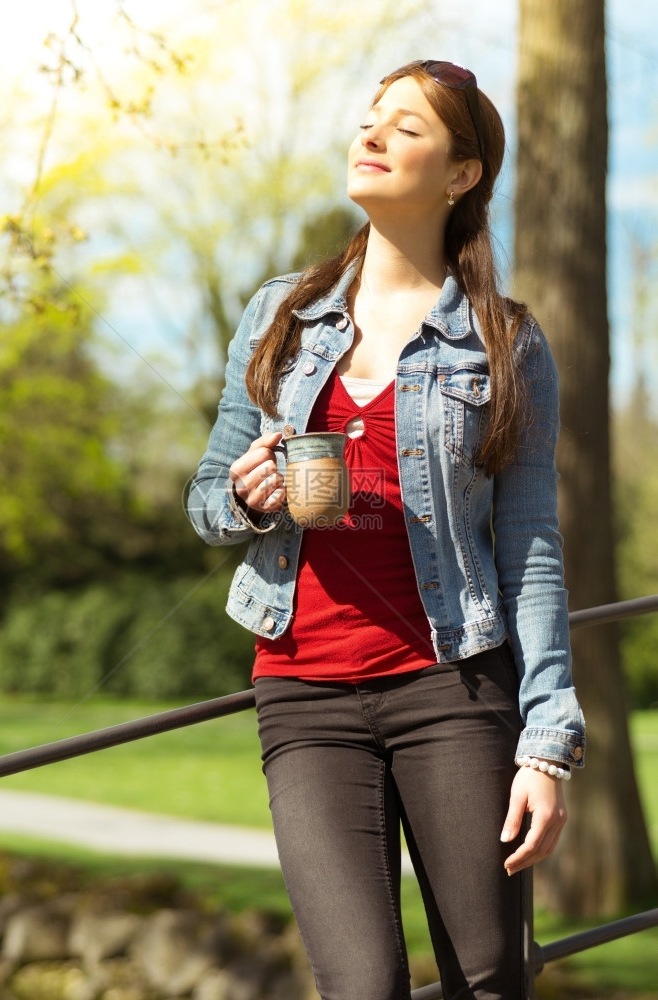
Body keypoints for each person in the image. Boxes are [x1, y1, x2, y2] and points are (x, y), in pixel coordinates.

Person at [186, 59, 585, 1000]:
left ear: (461, 173)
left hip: (454, 690)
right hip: (304, 700)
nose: (371, 136)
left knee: (487, 978)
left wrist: (545, 744)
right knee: (361, 985)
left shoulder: (507, 341)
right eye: (370, 119)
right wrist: (245, 500)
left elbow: (529, 548)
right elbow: (207, 498)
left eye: (405, 128)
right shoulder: (283, 314)